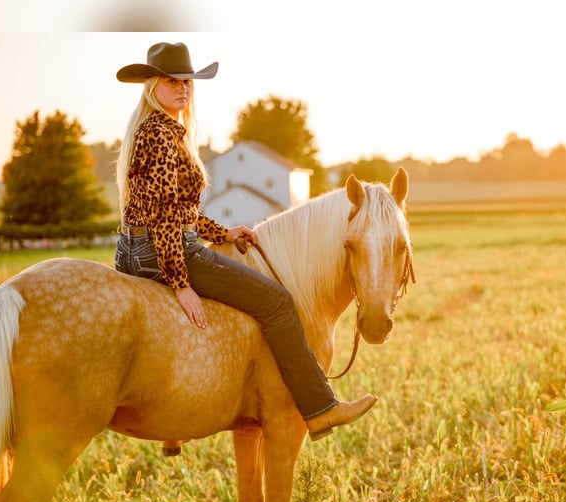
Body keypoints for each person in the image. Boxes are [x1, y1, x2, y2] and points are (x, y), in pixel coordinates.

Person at [114, 42, 376, 454]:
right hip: (165, 252)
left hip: (131, 250)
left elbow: (177, 209)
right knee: (275, 302)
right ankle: (320, 406)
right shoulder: (163, 135)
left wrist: (222, 231)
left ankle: (173, 421)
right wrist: (179, 281)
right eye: (171, 81)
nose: (182, 89)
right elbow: (166, 216)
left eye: (187, 82)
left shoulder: (151, 131)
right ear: (151, 86)